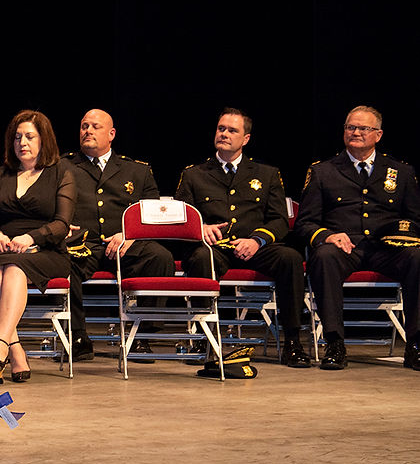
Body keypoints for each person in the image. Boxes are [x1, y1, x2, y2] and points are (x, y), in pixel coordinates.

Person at [175, 108, 311, 367]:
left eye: (232, 130)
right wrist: (200, 227)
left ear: (246, 139)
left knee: (290, 258)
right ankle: (206, 339)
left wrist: (258, 240)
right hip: (216, 247)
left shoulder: (267, 173)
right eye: (221, 129)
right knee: (202, 257)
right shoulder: (194, 174)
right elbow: (181, 215)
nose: (224, 134)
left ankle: (292, 341)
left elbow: (279, 220)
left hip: (255, 246)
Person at [294, 105, 420, 371]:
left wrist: (401, 236)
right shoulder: (323, 171)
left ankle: (415, 345)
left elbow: (415, 219)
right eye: (350, 127)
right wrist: (327, 236)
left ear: (378, 134)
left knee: (417, 257)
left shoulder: (401, 172)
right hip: (344, 248)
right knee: (324, 256)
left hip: (387, 249)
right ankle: (335, 344)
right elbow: (304, 224)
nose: (356, 132)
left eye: (364, 128)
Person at [65, 109, 174, 361]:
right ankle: (78, 336)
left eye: (95, 126)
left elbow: (153, 214)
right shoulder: (62, 166)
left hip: (127, 243)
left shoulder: (137, 170)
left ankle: (141, 334)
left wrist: (130, 233)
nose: (87, 131)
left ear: (111, 134)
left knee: (160, 256)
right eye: (83, 126)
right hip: (83, 244)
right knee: (63, 262)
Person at [0, 110, 76, 383]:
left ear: (44, 140)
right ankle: (14, 348)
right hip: (2, 247)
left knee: (14, 268)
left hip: (46, 250)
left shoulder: (61, 173)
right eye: (18, 137)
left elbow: (62, 224)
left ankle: (0, 343)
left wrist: (31, 237)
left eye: (30, 136)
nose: (23, 142)